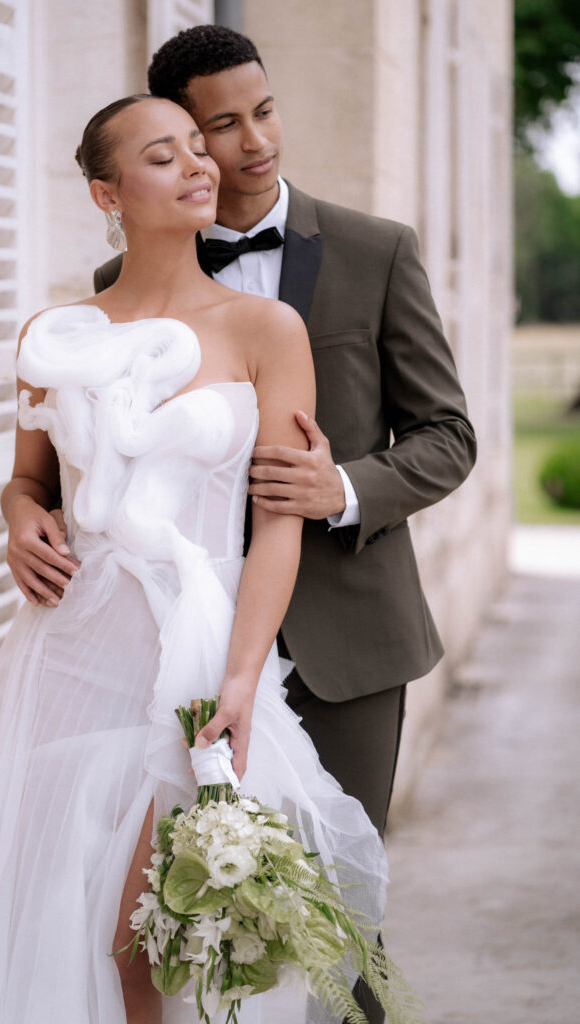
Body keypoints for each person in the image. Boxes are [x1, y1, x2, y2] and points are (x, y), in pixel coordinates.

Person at [0, 95, 388, 1024]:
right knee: (68, 922)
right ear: (104, 192)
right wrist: (16, 519)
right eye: (165, 157)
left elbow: (277, 522)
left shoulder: (265, 330)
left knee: (161, 945)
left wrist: (241, 680)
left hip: (196, 657)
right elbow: (28, 481)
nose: (201, 165)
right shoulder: (55, 337)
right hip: (67, 656)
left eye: (197, 150)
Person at [88, 27, 477, 1024]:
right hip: (180, 647)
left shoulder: (373, 249)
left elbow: (446, 435)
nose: (254, 141)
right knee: (189, 920)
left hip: (346, 638)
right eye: (220, 124)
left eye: (262, 110)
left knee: (338, 923)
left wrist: (339, 488)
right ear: (182, 133)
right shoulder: (114, 295)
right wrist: (23, 511)